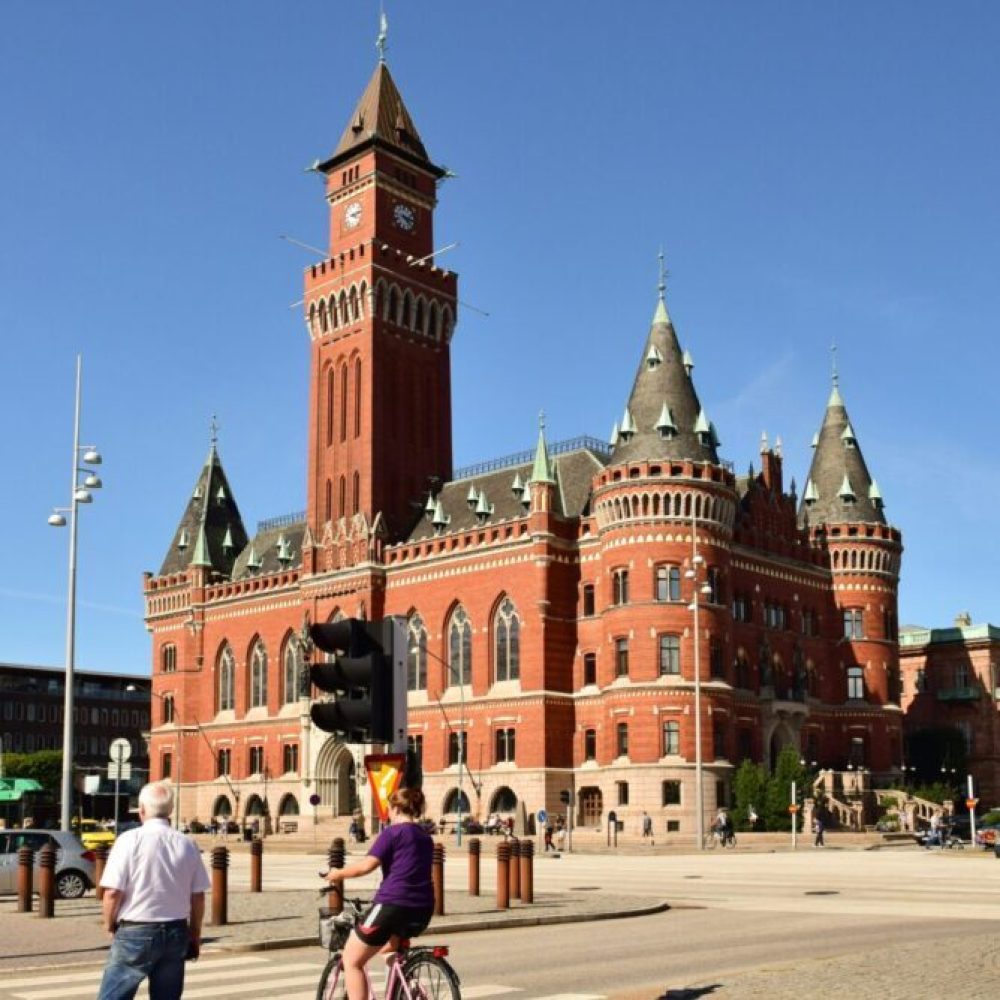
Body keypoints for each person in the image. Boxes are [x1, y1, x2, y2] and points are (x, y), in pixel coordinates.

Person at [96, 781, 211, 1000]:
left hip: (136, 930)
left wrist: (108, 924)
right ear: (171, 811)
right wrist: (194, 932)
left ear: (141, 810)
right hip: (176, 930)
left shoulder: (129, 840)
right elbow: (198, 896)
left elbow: (112, 892)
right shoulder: (187, 843)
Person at [325, 787, 434, 1000]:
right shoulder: (425, 837)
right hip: (423, 908)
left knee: (352, 960)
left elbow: (366, 866)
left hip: (392, 905)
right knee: (388, 950)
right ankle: (410, 986)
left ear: (394, 808)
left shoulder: (392, 833)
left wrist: (337, 873)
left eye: (389, 810)